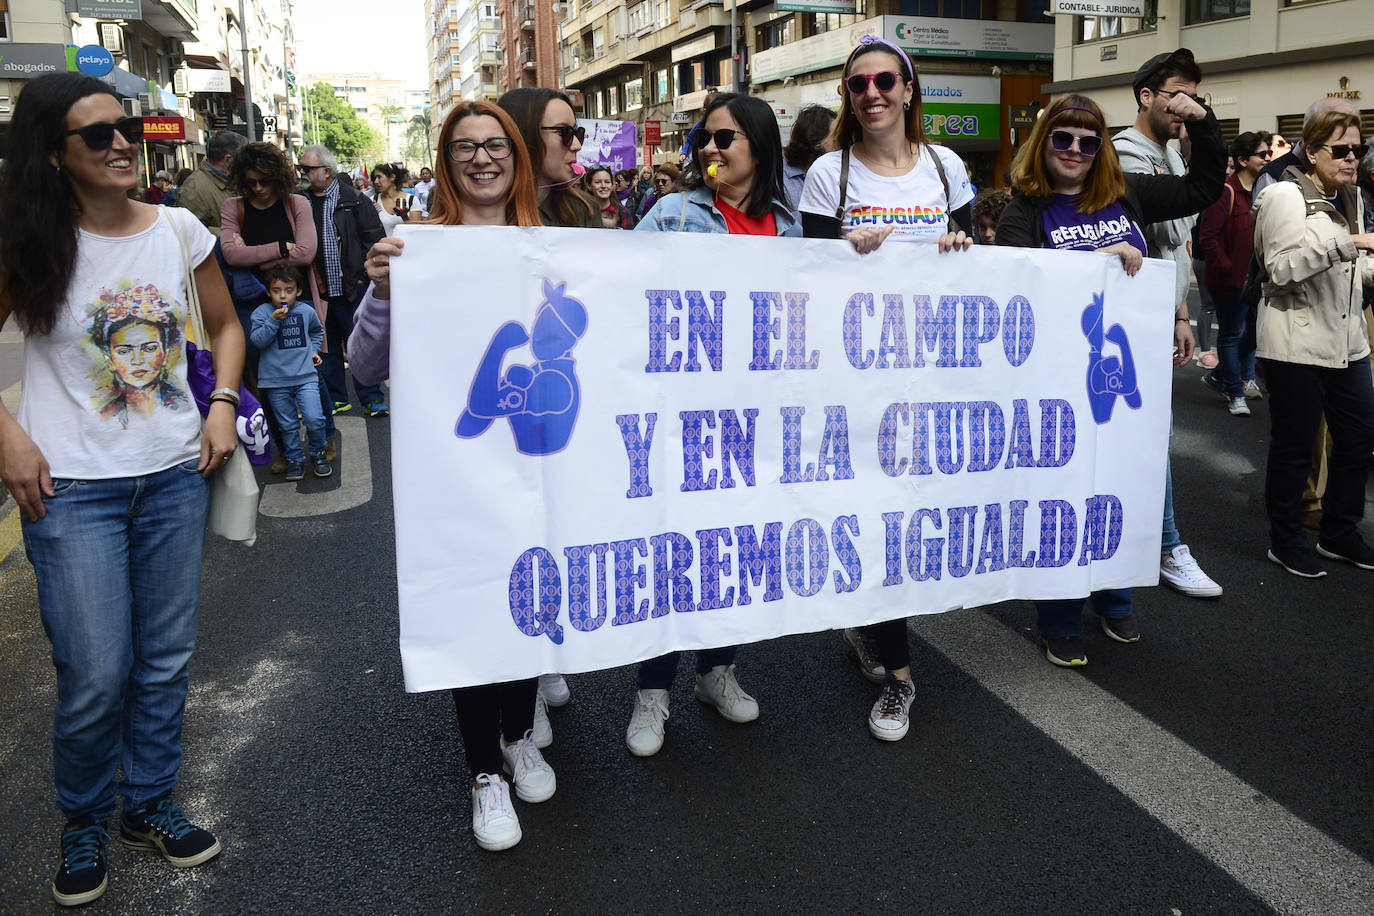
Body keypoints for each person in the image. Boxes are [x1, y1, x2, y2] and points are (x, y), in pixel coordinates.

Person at [0, 72, 244, 907]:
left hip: (175, 477)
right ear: (52, 154)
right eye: (96, 135)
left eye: (124, 130)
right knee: (97, 668)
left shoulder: (178, 230)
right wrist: (11, 439)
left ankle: (148, 802)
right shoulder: (30, 240)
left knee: (166, 659)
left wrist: (220, 406)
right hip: (71, 490)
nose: (119, 145)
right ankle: (83, 815)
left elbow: (225, 325)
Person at [349, 100, 556, 852]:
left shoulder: (553, 245)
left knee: (533, 604)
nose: (481, 159)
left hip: (541, 470)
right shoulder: (415, 248)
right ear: (444, 160)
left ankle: (517, 735)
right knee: (474, 616)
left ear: (516, 157)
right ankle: (484, 775)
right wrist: (380, 293)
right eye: (464, 147)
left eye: (495, 145)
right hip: (458, 478)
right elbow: (366, 371)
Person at [996, 91, 1225, 666]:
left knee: (1122, 486)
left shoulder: (1128, 193)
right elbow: (1013, 289)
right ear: (1043, 141)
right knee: (1062, 499)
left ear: (1100, 149)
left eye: (1087, 141)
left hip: (1127, 383)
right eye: (1062, 138)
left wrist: (1201, 119)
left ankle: (1116, 597)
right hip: (1056, 386)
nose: (1074, 150)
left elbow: (1202, 188)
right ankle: (1060, 616)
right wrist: (1098, 258)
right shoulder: (1025, 207)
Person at [797, 33, 974, 742]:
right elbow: (803, 280)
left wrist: (961, 247)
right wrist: (845, 256)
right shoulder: (827, 174)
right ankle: (900, 678)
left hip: (928, 371)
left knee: (910, 513)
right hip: (854, 381)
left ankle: (872, 627)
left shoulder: (945, 166)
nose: (871, 94)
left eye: (884, 82)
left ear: (908, 91)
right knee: (878, 512)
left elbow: (971, 266)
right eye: (858, 84)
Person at [628, 92, 795, 754]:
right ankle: (652, 690)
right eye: (705, 139)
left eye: (725, 139)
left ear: (758, 145)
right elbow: (616, 282)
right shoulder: (673, 213)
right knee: (674, 556)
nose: (709, 150)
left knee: (734, 554)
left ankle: (717, 671)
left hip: (755, 422)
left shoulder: (788, 222)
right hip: (680, 419)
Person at [1113, 47, 1223, 601]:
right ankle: (1166, 545)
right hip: (1126, 319)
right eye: (1177, 94)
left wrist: (1182, 313)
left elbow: (1176, 245)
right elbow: (1151, 236)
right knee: (1150, 432)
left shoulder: (1177, 157)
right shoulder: (1124, 157)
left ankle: (1140, 539)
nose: (1187, 105)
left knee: (1150, 434)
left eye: (1194, 96)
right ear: (1147, 96)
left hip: (1162, 313)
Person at [1253, 108, 1374, 577]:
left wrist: (1365, 262)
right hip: (1294, 344)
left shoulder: (1351, 197)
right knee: (1295, 446)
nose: (1350, 159)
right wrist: (1351, 244)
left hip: (1348, 343)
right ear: (1311, 149)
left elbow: (1352, 274)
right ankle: (1284, 540)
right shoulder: (1284, 195)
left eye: (1357, 149)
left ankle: (1339, 533)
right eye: (1340, 150)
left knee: (1359, 440)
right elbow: (1278, 271)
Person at [220, 141, 332, 467]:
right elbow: (230, 253)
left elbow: (307, 252)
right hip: (253, 299)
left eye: (265, 181)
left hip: (296, 297)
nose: (258, 189)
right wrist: (283, 247)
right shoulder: (234, 207)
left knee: (310, 368)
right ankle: (285, 447)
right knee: (265, 375)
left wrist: (252, 251)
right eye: (251, 182)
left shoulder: (296, 203)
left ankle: (324, 438)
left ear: (278, 177)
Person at [296, 144, 391, 418]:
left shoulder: (355, 201)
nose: (302, 172)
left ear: (326, 171)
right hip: (318, 291)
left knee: (360, 343)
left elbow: (374, 239)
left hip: (353, 289)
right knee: (326, 347)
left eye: (307, 168)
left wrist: (363, 276)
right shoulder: (299, 202)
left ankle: (372, 398)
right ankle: (338, 398)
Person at [1200, 131, 1270, 416]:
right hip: (1229, 281)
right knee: (1230, 335)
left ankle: (1220, 376)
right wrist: (1228, 269)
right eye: (1262, 155)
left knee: (1255, 333)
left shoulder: (1263, 193)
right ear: (1243, 160)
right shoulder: (1225, 191)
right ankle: (1235, 391)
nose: (1268, 159)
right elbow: (1207, 237)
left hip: (1256, 279)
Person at [250, 265, 330, 480]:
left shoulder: (306, 311)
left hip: (305, 376)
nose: (282, 295)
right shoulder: (261, 313)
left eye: (289, 290)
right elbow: (258, 341)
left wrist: (313, 351)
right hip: (275, 380)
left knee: (314, 418)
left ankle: (318, 453)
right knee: (287, 425)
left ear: (299, 291)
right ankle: (295, 458)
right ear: (268, 292)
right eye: (276, 290)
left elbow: (316, 330)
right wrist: (274, 320)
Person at [498, 88, 599, 229]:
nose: (577, 145)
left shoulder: (584, 209)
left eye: (578, 133)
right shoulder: (484, 208)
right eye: (564, 132)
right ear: (523, 135)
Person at [175, 130, 247, 236]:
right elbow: (190, 235)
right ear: (228, 159)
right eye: (243, 159)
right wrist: (233, 233)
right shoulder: (194, 189)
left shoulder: (232, 180)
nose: (245, 163)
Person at [781, 103, 836, 212]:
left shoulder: (835, 174)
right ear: (816, 142)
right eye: (835, 138)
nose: (842, 145)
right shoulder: (780, 181)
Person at [369, 163, 418, 234]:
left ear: (392, 177)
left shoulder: (411, 200)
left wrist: (404, 217)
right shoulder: (373, 201)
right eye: (375, 178)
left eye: (379, 177)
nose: (376, 182)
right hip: (384, 244)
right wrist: (372, 215)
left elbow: (416, 231)